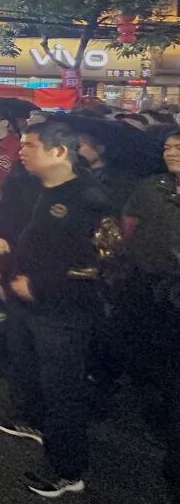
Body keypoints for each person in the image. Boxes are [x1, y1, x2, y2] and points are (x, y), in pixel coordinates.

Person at [0, 122, 114, 499]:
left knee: (63, 391)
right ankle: (31, 422)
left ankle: (67, 469)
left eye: (30, 145)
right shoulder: (32, 187)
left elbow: (100, 264)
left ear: (60, 152)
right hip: (24, 301)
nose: (21, 151)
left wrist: (39, 285)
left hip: (62, 312)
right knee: (29, 370)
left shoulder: (89, 199)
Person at [118, 131, 180, 502]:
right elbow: (129, 225)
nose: (171, 152)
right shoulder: (152, 186)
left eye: (179, 147)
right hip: (145, 284)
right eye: (168, 147)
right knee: (154, 358)